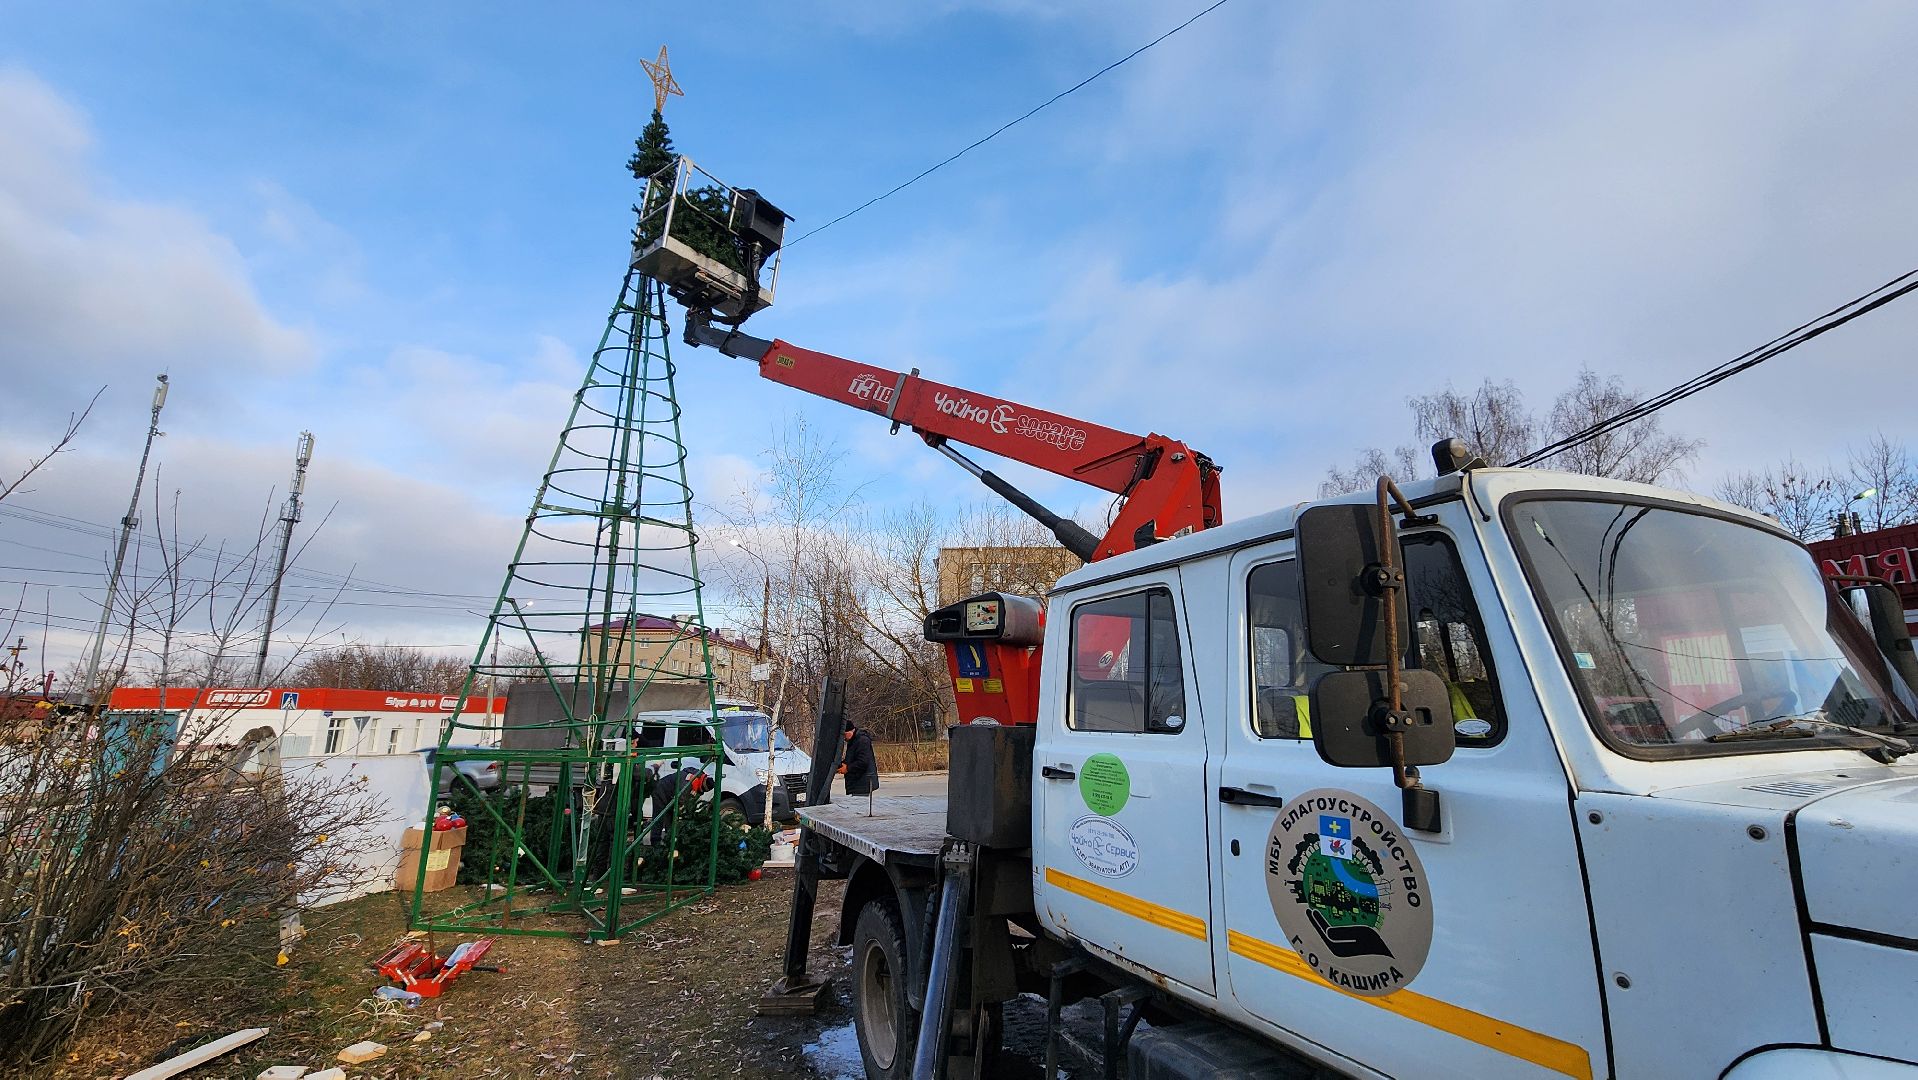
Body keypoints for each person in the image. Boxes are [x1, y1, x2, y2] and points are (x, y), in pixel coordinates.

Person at [838, 720, 879, 797]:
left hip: (862, 783)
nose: (843, 738)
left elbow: (863, 762)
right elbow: (854, 758)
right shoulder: (854, 740)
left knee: (859, 806)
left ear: (850, 731)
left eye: (844, 734)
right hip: (858, 783)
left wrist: (847, 768)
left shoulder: (862, 740)